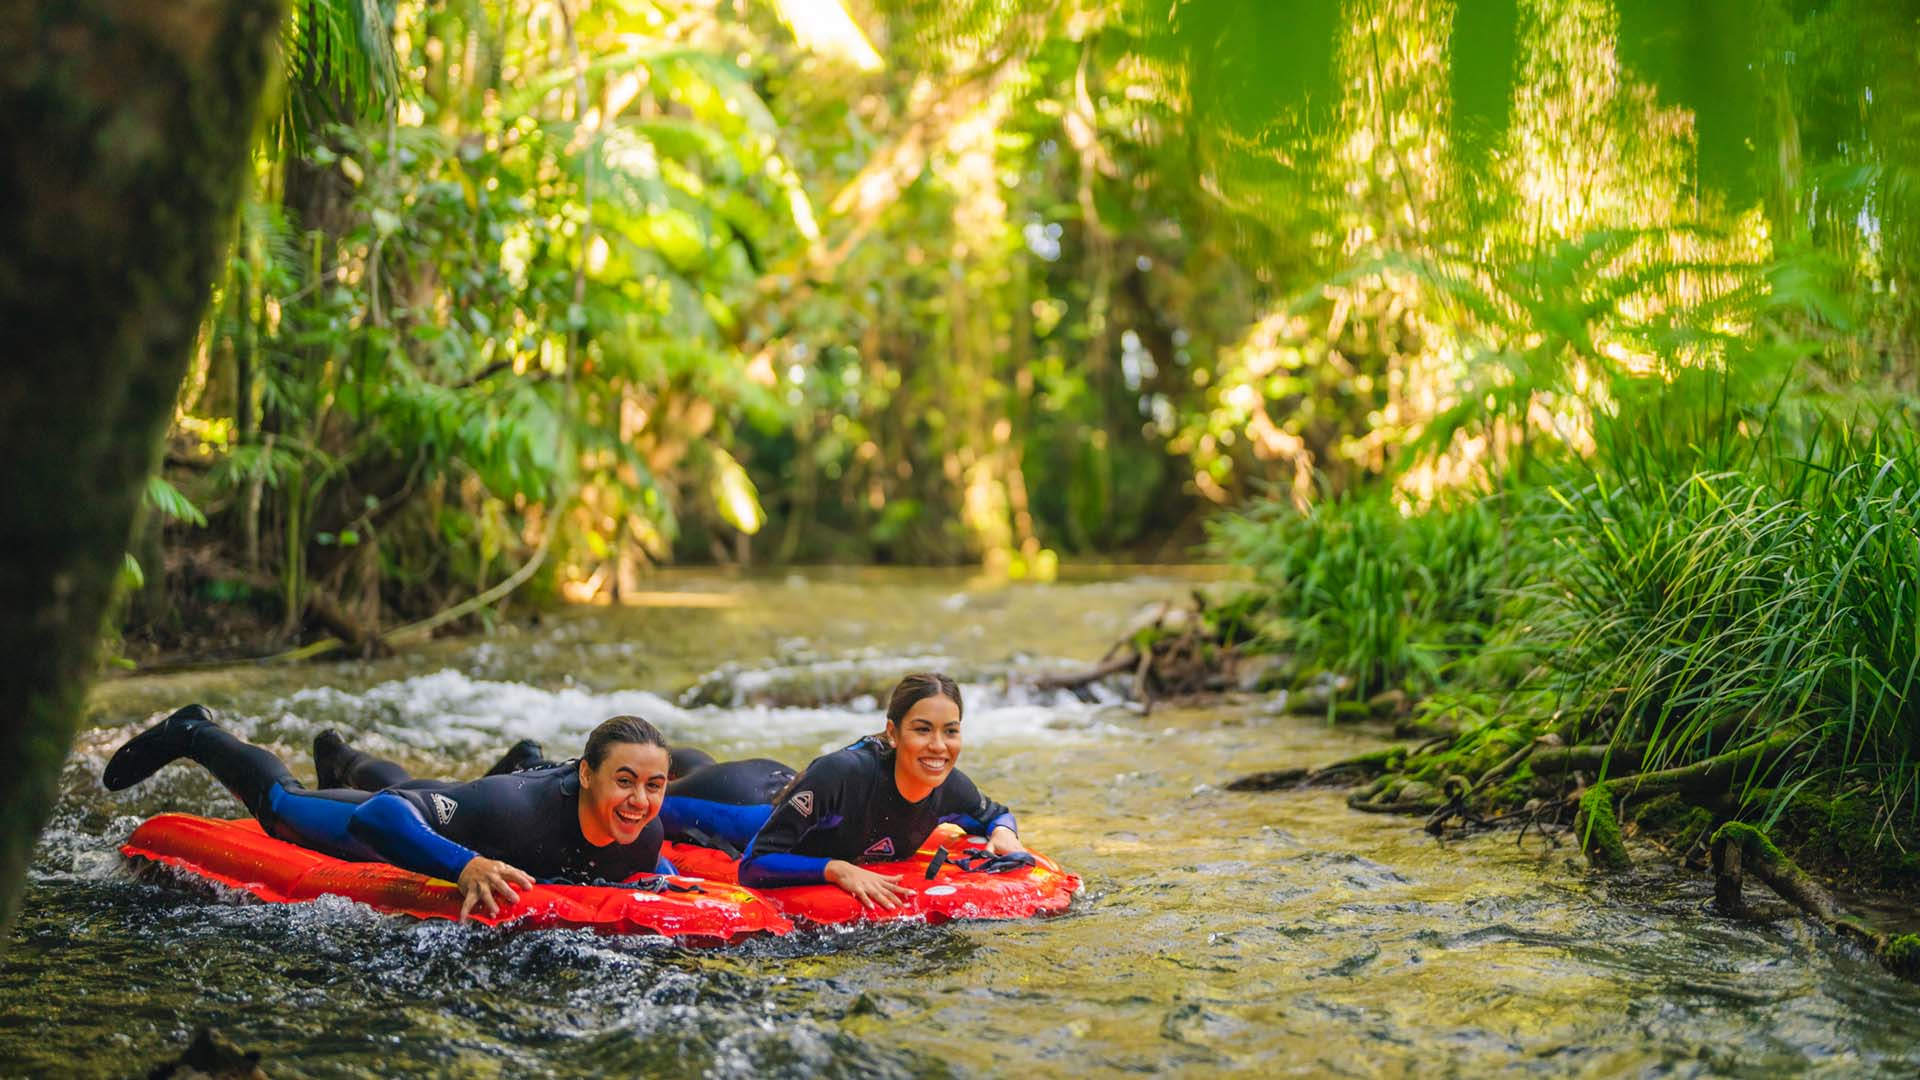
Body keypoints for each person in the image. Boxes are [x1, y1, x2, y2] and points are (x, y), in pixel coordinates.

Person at [102, 705, 674, 918]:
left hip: (449, 802)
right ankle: (195, 730)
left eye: (654, 785)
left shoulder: (645, 837)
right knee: (283, 808)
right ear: (586, 774)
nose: (640, 801)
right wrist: (463, 866)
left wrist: (672, 884)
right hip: (408, 824)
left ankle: (342, 756)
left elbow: (657, 874)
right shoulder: (513, 809)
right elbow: (379, 817)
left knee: (429, 788)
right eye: (625, 781)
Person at [737, 672, 1029, 909]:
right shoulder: (841, 774)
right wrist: (836, 869)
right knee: (692, 768)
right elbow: (752, 865)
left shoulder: (951, 787)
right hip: (740, 798)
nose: (939, 746)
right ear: (893, 733)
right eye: (923, 730)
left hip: (789, 784)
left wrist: (1004, 832)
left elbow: (996, 815)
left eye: (950, 731)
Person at [312, 730, 793, 855]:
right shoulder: (744, 815)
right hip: (739, 798)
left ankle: (525, 761)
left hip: (743, 778)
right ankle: (343, 757)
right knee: (438, 796)